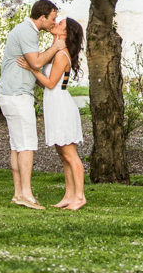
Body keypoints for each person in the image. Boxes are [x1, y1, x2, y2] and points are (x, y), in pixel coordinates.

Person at [0, 0, 64, 210]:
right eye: (53, 18)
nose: (54, 23)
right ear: (42, 17)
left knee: (17, 145)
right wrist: (56, 46)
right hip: (17, 95)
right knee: (26, 145)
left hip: (10, 93)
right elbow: (36, 62)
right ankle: (26, 194)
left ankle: (18, 193)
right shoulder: (27, 32)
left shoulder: (26, 31)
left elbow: (33, 63)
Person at [17, 17, 87, 211]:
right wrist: (33, 72)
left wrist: (32, 68)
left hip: (61, 107)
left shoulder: (61, 54)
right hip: (54, 105)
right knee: (63, 155)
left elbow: (49, 83)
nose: (55, 24)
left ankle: (80, 197)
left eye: (60, 24)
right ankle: (69, 195)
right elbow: (46, 82)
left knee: (70, 155)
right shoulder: (57, 51)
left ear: (65, 33)